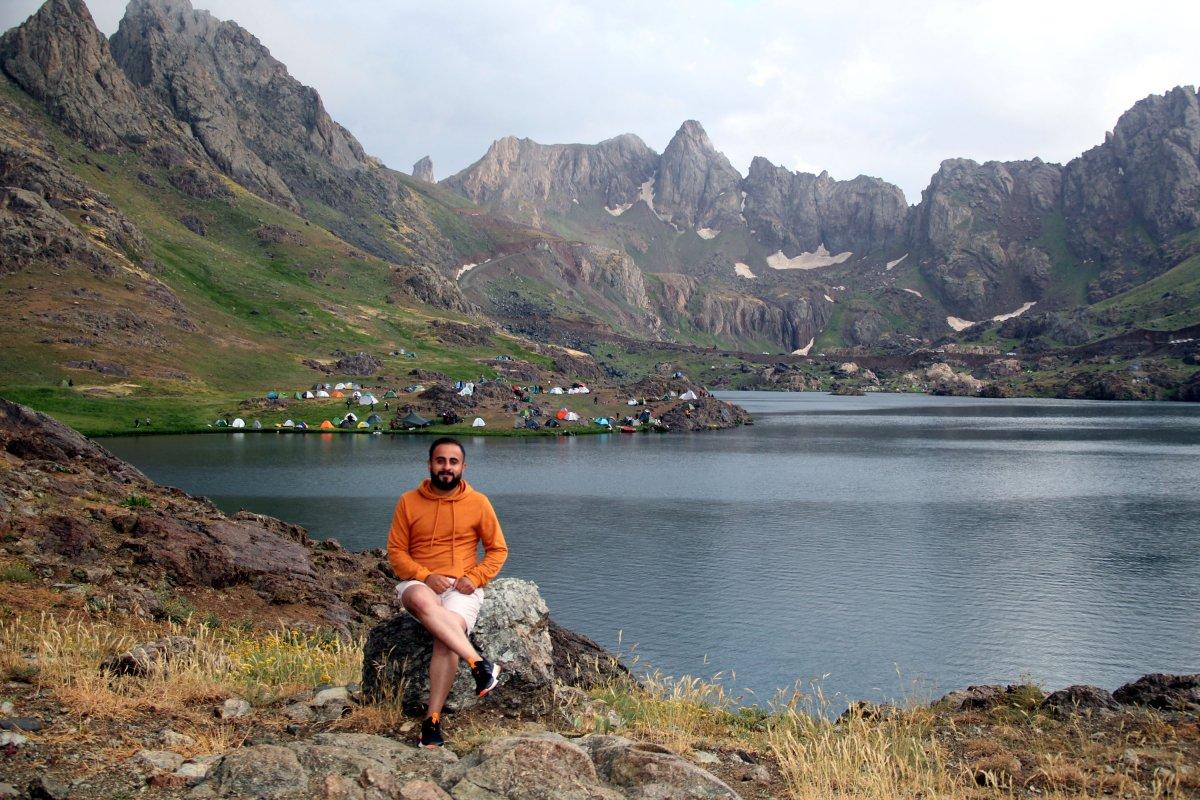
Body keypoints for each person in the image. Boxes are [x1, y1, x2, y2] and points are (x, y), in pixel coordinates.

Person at [387, 437, 508, 749]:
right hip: (419, 581)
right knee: (418, 598)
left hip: (462, 586)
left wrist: (476, 576)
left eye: (453, 462)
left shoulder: (479, 503)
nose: (446, 467)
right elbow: (397, 553)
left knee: (445, 638)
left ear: (463, 467)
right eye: (440, 461)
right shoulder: (408, 501)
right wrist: (426, 575)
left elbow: (497, 550)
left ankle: (432, 721)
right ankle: (479, 664)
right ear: (429, 465)